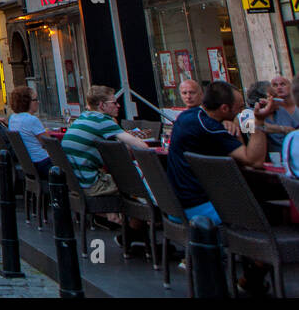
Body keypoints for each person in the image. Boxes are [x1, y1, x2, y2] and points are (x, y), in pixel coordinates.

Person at [166, 80, 274, 224]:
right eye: (239, 108)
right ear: (224, 108)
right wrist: (259, 120)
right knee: (272, 213)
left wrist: (230, 123)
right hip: (199, 209)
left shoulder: (188, 117)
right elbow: (254, 160)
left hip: (175, 207)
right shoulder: (210, 128)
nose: (242, 112)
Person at [60, 85, 147, 197]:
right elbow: (142, 147)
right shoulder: (102, 120)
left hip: (75, 185)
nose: (118, 105)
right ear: (102, 105)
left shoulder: (83, 117)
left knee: (123, 176)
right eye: (114, 103)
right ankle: (154, 212)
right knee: (140, 179)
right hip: (92, 185)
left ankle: (112, 212)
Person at [7, 86, 50, 179]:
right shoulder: (31, 119)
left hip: (28, 163)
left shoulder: (13, 118)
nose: (38, 102)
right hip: (41, 162)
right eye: (35, 100)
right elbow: (48, 143)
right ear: (27, 102)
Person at [262, 75, 298, 154]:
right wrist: (282, 129)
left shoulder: (281, 111)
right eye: (275, 85)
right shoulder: (250, 113)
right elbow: (249, 126)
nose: (279, 88)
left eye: (283, 84)